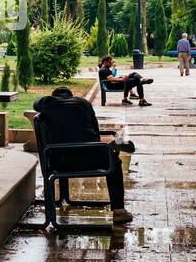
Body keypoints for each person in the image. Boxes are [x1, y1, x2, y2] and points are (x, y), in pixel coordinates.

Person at [33, 87, 132, 224]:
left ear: (54, 96)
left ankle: (111, 147)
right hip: (90, 158)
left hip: (59, 161)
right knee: (114, 160)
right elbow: (96, 133)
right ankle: (119, 211)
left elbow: (35, 104)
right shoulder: (84, 103)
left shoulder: (47, 103)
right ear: (71, 95)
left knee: (107, 153)